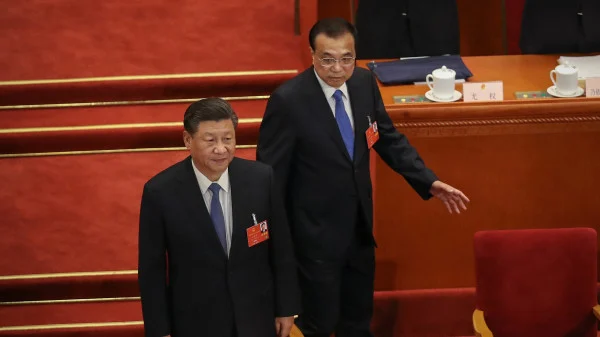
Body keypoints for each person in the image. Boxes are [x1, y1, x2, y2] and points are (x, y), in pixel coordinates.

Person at [256, 18, 470, 337]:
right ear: (312, 54)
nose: (338, 68)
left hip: (359, 232)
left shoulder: (363, 83)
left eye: (347, 58)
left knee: (357, 322)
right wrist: (277, 245)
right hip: (313, 239)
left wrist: (428, 180)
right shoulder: (288, 102)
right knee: (319, 324)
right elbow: (270, 177)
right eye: (328, 58)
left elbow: (385, 137)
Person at [138, 98, 301, 337]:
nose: (221, 149)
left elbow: (282, 249)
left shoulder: (261, 179)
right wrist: (159, 330)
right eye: (210, 140)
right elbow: (151, 270)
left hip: (256, 316)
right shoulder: (160, 192)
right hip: (196, 321)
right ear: (187, 140)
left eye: (228, 139)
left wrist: (286, 308)